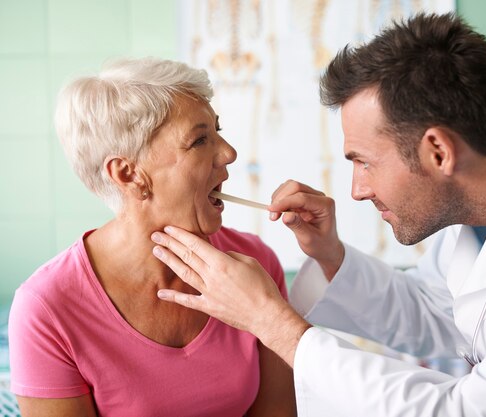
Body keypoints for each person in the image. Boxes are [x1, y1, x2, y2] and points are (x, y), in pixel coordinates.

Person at [150, 12, 486, 417]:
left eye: (364, 161)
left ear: (438, 151)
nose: (356, 191)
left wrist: (270, 321)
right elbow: (438, 312)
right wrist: (330, 254)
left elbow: (462, 412)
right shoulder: (479, 208)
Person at [8, 57, 296, 417]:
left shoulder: (254, 263)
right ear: (129, 175)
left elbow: (278, 410)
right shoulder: (46, 309)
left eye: (217, 131)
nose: (229, 153)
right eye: (200, 140)